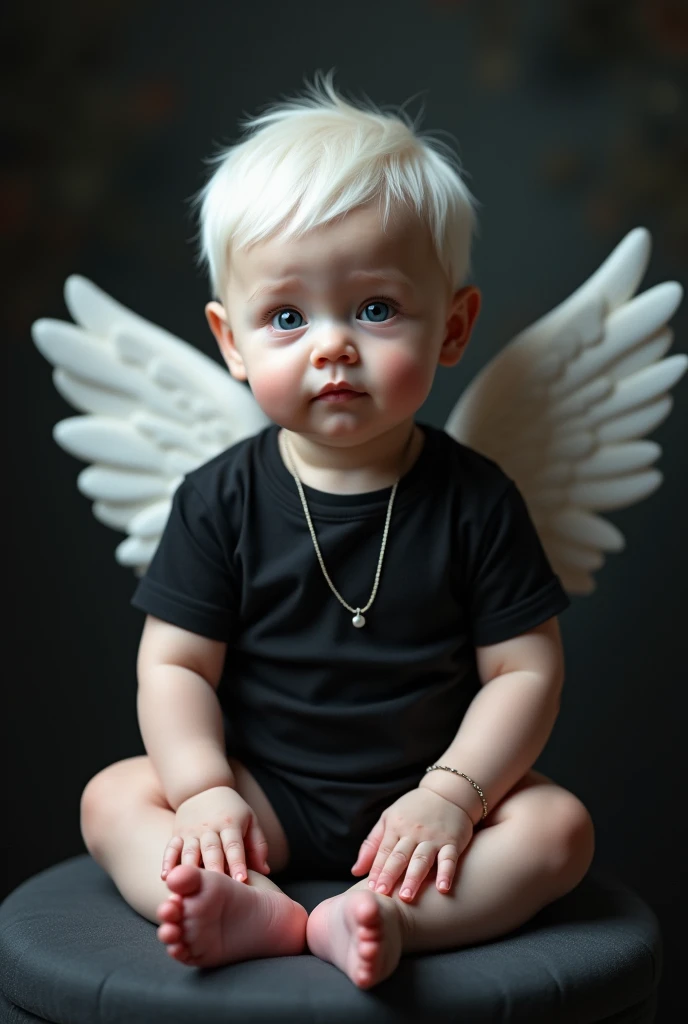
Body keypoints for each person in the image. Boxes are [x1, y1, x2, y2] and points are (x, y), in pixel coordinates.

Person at [79, 72, 595, 990]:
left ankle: (387, 921)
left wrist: (452, 796)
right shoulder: (219, 498)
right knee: (114, 796)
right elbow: (174, 666)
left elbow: (526, 670)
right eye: (286, 317)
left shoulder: (475, 499)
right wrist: (203, 791)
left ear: (454, 325)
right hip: (260, 795)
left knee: (560, 833)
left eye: (375, 308)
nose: (331, 345)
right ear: (229, 343)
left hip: (427, 803)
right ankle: (251, 904)